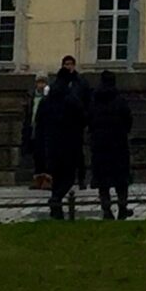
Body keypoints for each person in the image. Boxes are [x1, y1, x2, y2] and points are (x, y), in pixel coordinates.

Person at [34, 54, 88, 218]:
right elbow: (83, 118)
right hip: (69, 143)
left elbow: (39, 122)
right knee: (68, 178)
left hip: (50, 144)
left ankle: (55, 209)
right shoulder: (71, 100)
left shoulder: (46, 101)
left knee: (56, 176)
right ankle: (56, 199)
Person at [86, 70, 134, 220]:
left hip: (99, 144)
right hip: (118, 144)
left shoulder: (94, 100)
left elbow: (89, 120)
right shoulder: (120, 100)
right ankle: (122, 206)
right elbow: (128, 120)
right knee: (121, 179)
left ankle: (106, 208)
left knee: (102, 180)